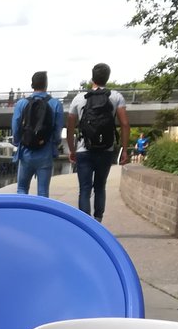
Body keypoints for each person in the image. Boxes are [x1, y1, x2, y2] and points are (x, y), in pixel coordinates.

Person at [65, 63, 130, 222]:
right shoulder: (116, 97)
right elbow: (125, 124)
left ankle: (87, 227)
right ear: (107, 78)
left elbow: (70, 126)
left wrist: (72, 150)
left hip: (83, 150)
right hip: (105, 150)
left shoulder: (79, 98)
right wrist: (125, 149)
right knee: (100, 187)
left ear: (92, 77)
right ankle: (98, 221)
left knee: (85, 189)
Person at [11, 71, 65, 197]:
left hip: (25, 152)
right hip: (45, 152)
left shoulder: (21, 103)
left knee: (22, 189)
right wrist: (54, 143)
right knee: (43, 192)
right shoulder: (55, 104)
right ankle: (41, 216)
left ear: (32, 85)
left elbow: (16, 126)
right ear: (46, 85)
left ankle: (22, 216)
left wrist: (18, 141)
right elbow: (58, 129)